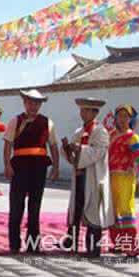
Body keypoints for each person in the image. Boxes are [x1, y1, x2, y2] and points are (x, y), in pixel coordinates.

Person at [3, 89, 59, 254]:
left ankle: (33, 244)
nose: (33, 105)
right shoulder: (16, 120)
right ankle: (14, 244)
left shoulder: (47, 122)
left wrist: (55, 167)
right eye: (30, 102)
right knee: (16, 205)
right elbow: (7, 145)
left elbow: (54, 146)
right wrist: (7, 165)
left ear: (40, 104)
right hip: (19, 166)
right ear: (24, 102)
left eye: (37, 102)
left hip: (39, 167)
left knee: (35, 207)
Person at [58, 97, 114, 258]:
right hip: (80, 176)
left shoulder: (100, 131)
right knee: (76, 210)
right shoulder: (79, 131)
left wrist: (79, 149)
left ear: (94, 112)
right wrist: (67, 150)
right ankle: (73, 244)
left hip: (94, 177)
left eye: (86, 110)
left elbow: (97, 152)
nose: (82, 113)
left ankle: (93, 248)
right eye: (82, 110)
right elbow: (74, 156)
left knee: (93, 211)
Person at [108, 105, 139, 257]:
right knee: (112, 211)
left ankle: (130, 245)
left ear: (131, 119)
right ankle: (118, 243)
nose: (123, 119)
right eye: (120, 115)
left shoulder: (133, 137)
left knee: (126, 210)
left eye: (126, 116)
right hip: (111, 177)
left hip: (125, 177)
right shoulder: (110, 135)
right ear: (115, 118)